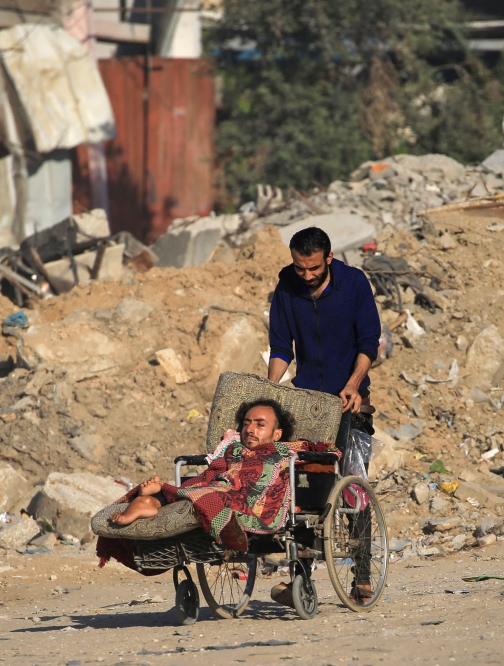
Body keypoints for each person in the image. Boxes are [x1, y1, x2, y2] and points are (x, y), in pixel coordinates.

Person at [267, 226, 380, 603]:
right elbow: (282, 346)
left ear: (328, 258)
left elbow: (368, 343)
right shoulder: (286, 287)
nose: (307, 275)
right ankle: (301, 579)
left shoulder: (353, 284)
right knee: (303, 492)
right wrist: (270, 391)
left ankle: (362, 575)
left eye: (314, 268)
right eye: (300, 268)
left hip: (348, 400)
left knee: (353, 485)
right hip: (307, 402)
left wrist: (353, 384)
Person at [109, 400, 294, 526]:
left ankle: (159, 499)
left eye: (260, 425)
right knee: (201, 485)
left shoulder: (282, 453)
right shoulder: (232, 449)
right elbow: (216, 471)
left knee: (211, 494)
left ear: (277, 434)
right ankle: (150, 501)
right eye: (246, 424)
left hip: (241, 493)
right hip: (217, 483)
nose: (250, 429)